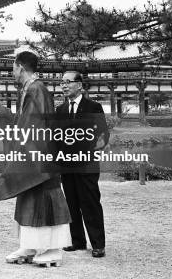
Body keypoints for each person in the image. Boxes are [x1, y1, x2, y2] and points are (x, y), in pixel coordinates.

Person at [0, 51, 71, 267]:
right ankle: (29, 244)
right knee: (28, 196)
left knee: (45, 198)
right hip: (33, 151)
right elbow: (23, 122)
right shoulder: (30, 88)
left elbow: (33, 126)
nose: (12, 72)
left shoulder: (37, 89)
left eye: (13, 68)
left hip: (40, 154)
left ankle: (53, 249)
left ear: (20, 67)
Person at [55, 71, 109, 258]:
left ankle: (98, 244)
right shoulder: (60, 111)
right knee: (71, 203)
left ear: (79, 85)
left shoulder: (94, 107)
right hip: (67, 165)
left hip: (87, 164)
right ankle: (77, 241)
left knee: (90, 202)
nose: (64, 85)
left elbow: (103, 133)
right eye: (62, 82)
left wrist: (99, 143)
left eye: (68, 82)